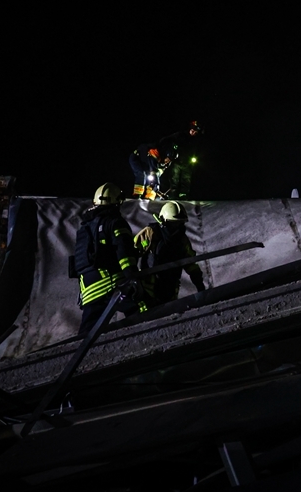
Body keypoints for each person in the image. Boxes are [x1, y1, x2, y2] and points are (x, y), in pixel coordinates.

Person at [71, 182, 142, 334]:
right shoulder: (115, 222)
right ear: (117, 202)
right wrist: (132, 277)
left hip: (88, 290)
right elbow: (124, 252)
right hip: (111, 282)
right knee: (141, 309)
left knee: (88, 332)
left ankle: (77, 347)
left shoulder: (85, 227)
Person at [133, 201, 206, 306]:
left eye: (180, 223)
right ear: (163, 221)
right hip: (148, 291)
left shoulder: (182, 240)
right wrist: (132, 278)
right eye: (174, 223)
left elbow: (190, 263)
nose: (177, 227)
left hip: (170, 290)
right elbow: (132, 252)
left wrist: (199, 283)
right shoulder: (150, 233)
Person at [158, 120, 204, 199]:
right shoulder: (180, 135)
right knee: (174, 179)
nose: (193, 133)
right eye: (193, 130)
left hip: (187, 162)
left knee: (186, 180)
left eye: (196, 132)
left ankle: (183, 196)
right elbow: (167, 139)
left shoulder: (196, 140)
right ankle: (172, 195)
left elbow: (199, 150)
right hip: (176, 161)